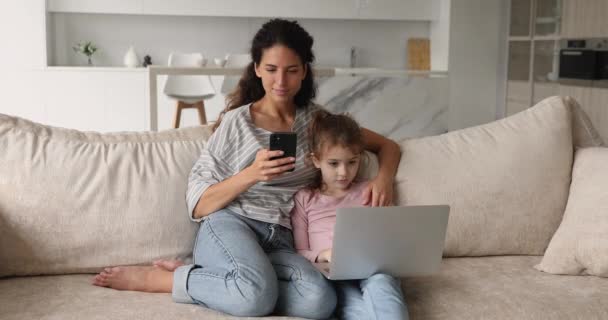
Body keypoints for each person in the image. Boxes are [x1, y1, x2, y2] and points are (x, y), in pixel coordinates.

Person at [92, 18, 401, 318]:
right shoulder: (236, 123)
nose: (281, 82)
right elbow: (198, 204)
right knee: (254, 296)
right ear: (256, 69)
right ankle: (167, 280)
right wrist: (252, 173)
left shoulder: (318, 123)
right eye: (271, 70)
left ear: (304, 72)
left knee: (319, 302)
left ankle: (231, 280)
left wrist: (384, 178)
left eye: (292, 71)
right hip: (231, 225)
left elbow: (388, 146)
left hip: (281, 238)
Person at [291, 110, 408, 320]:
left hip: (373, 270)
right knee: (353, 308)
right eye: (334, 164)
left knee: (382, 285)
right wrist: (324, 254)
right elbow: (300, 250)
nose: (343, 172)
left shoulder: (370, 190)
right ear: (316, 160)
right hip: (333, 275)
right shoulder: (305, 198)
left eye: (351, 162)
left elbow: (391, 233)